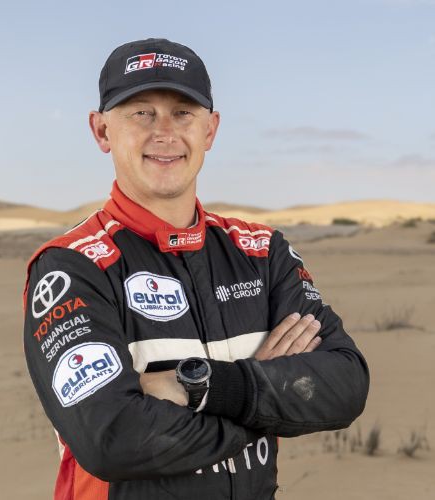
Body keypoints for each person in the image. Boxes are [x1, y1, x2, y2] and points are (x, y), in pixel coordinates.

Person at [23, 38, 369, 500]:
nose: (164, 133)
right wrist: (261, 403)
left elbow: (345, 384)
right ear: (102, 131)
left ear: (210, 130)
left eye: (183, 113)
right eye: (141, 113)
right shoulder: (72, 266)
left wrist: (201, 387)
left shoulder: (262, 251)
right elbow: (114, 438)